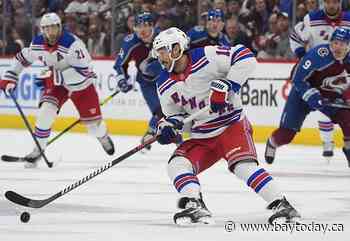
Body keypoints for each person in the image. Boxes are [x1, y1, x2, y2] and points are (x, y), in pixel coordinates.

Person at [152, 27, 301, 225]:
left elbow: (246, 57)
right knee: (177, 165)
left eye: (163, 51)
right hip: (202, 136)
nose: (160, 57)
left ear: (177, 48)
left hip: (231, 125)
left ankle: (283, 205)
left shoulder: (207, 55)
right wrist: (168, 127)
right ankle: (195, 205)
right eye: (158, 53)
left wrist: (227, 85)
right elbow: (177, 117)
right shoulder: (163, 82)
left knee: (243, 167)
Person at [0, 13, 115, 168]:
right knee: (45, 113)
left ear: (60, 27)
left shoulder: (73, 44)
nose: (50, 33)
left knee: (94, 127)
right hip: (57, 84)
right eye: (46, 29)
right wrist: (10, 77)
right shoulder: (38, 43)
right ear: (42, 30)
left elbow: (85, 73)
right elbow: (22, 58)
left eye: (53, 28)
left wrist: (55, 76)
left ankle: (102, 136)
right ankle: (38, 150)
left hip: (82, 86)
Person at [265, 27, 350, 168]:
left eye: (342, 44)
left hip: (328, 94)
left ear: (348, 46)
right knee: (286, 135)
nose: (338, 47)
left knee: (348, 119)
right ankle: (272, 142)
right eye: (335, 43)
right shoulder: (319, 55)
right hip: (302, 93)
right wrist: (311, 95)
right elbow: (297, 78)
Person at [287, 0, 350, 161]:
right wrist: (304, 58)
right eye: (328, 1)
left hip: (343, 69)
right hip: (319, 72)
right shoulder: (312, 18)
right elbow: (295, 36)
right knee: (325, 108)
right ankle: (327, 142)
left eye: (335, 1)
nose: (331, 4)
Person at [113, 12, 163, 151]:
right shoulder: (130, 42)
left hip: (166, 78)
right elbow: (119, 65)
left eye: (146, 26)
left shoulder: (164, 37)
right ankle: (152, 133)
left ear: (153, 26)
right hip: (146, 82)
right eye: (138, 26)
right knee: (159, 111)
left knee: (169, 108)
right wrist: (122, 80)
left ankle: (152, 133)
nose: (142, 30)